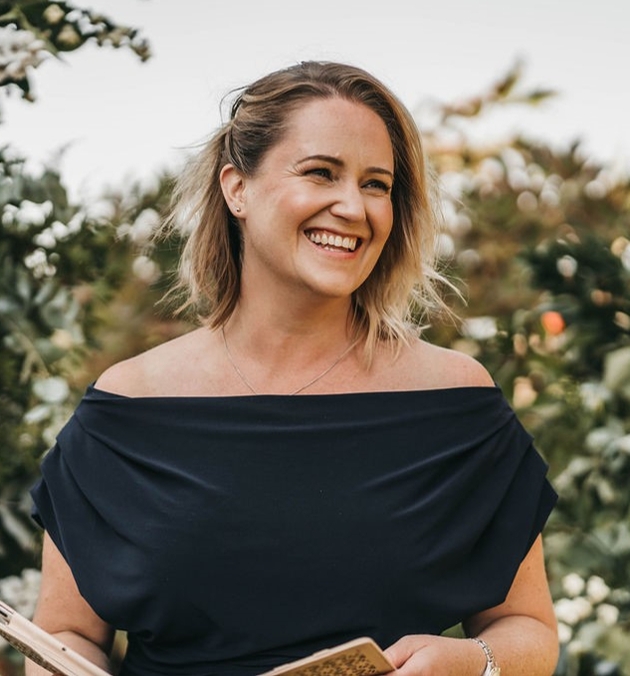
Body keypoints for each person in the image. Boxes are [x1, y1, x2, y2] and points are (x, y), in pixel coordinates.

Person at [27, 60, 559, 676]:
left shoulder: (456, 400)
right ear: (237, 189)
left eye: (376, 184)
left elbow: (528, 631)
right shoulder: (126, 406)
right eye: (321, 173)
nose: (353, 207)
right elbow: (67, 633)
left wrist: (471, 661)